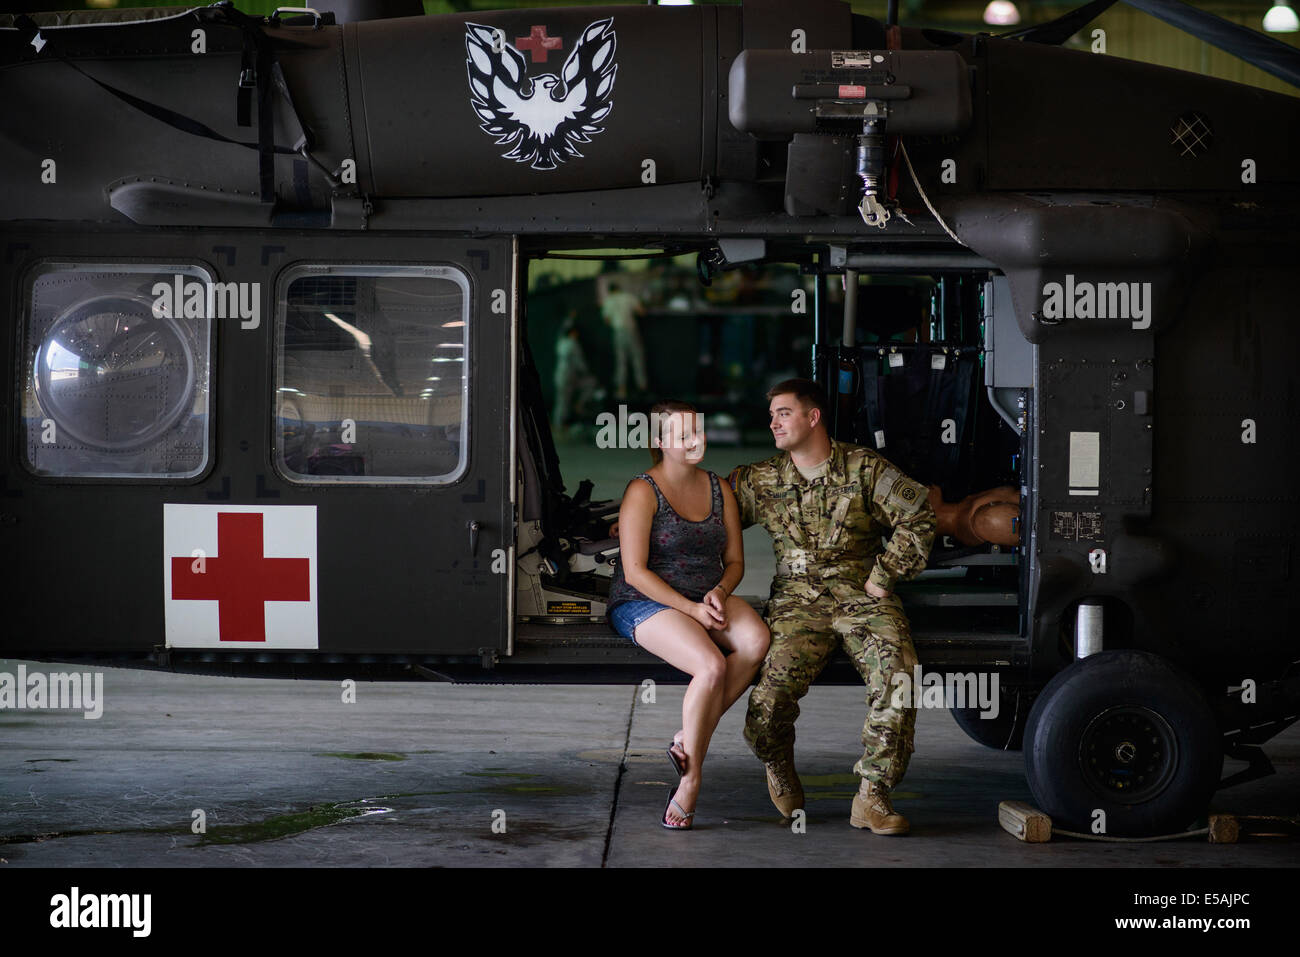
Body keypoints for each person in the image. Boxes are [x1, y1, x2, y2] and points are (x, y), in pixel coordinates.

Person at [729, 378, 936, 835]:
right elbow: (705, 517)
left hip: (861, 596)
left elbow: (917, 518)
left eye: (783, 412)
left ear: (812, 417)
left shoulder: (863, 467)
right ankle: (777, 759)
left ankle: (873, 796)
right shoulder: (760, 480)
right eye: (772, 415)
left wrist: (884, 576)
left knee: (899, 675)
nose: (773, 422)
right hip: (797, 602)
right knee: (769, 699)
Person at [607, 399, 770, 829]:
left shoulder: (720, 488)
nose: (694, 441)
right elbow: (635, 572)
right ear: (660, 441)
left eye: (697, 432)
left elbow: (734, 561)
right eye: (682, 435)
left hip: (704, 594)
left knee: (757, 641)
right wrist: (692, 610)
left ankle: (687, 738)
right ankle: (691, 778)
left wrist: (718, 592)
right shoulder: (642, 491)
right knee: (711, 665)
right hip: (645, 601)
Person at [599, 281, 648, 399]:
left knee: (621, 360)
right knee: (637, 358)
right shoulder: (628, 297)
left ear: (610, 291)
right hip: (631, 330)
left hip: (618, 332)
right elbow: (641, 312)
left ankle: (621, 390)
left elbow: (606, 320)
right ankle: (642, 387)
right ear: (619, 288)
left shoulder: (608, 301)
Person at [552, 316, 597, 432]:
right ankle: (560, 424)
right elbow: (580, 363)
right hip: (568, 375)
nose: (576, 334)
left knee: (564, 399)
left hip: (563, 375)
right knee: (563, 401)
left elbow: (563, 330)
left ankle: (563, 420)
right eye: (575, 332)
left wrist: (569, 319)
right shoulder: (573, 344)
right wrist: (586, 372)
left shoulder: (561, 341)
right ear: (572, 333)